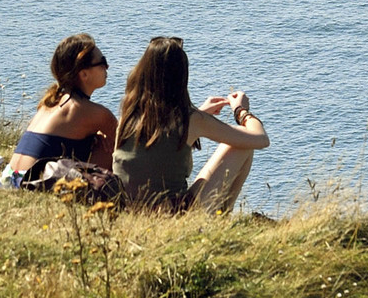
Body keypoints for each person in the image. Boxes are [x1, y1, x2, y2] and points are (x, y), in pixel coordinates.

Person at [112, 34, 269, 213]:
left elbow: (160, 147)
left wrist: (202, 112)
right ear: (180, 77)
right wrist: (241, 111)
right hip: (173, 216)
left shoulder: (129, 112)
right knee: (242, 145)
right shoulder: (190, 119)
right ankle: (222, 218)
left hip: (129, 212)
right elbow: (260, 139)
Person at [5, 34, 116, 184]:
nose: (107, 67)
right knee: (110, 149)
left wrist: (95, 136)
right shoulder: (92, 112)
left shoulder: (51, 102)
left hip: (10, 177)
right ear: (84, 74)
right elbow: (124, 144)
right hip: (31, 183)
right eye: (102, 62)